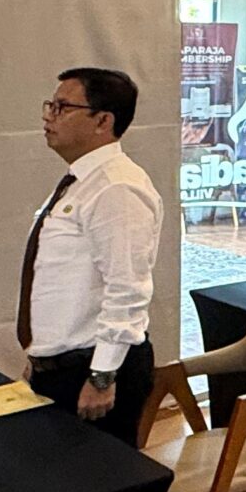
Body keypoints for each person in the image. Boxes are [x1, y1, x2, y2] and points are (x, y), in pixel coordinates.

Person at [22, 67, 163, 447]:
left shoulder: (117, 187)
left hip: (95, 370)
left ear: (103, 121)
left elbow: (128, 288)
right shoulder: (80, 182)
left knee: (98, 478)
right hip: (62, 365)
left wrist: (102, 375)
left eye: (63, 107)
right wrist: (40, 356)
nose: (49, 117)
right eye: (50, 105)